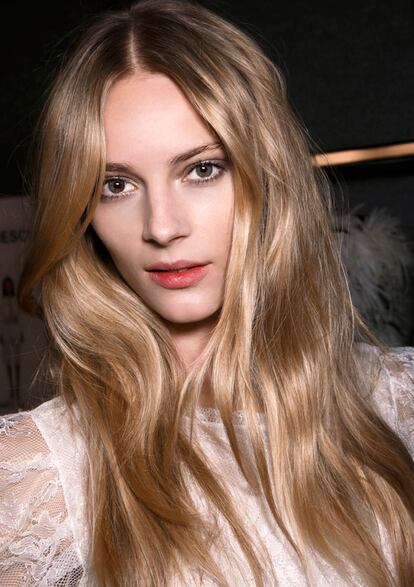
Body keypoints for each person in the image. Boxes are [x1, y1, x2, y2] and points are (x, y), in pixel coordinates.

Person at [0, 0, 413, 585]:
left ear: (267, 173)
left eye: (201, 169)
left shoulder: (398, 405)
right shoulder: (34, 483)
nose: (162, 227)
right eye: (116, 185)